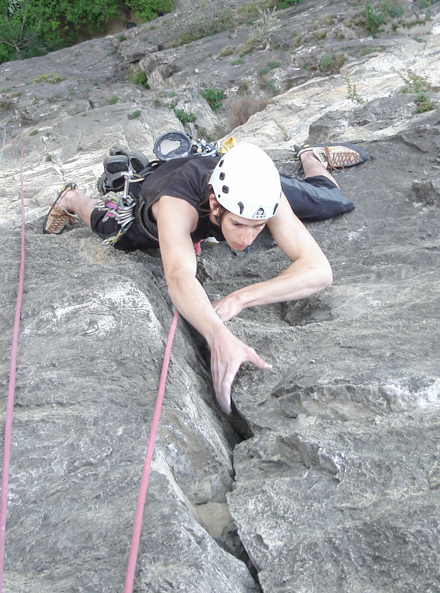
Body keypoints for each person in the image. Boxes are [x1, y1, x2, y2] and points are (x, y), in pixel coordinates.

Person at [44, 142, 367, 412]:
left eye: (259, 226)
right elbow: (180, 275)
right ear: (215, 203)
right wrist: (218, 336)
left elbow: (319, 271)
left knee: (332, 202)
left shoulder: (264, 194)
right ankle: (72, 199)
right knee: (116, 231)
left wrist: (239, 298)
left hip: (230, 177)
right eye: (238, 225)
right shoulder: (175, 205)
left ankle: (311, 157)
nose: (248, 239)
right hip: (168, 186)